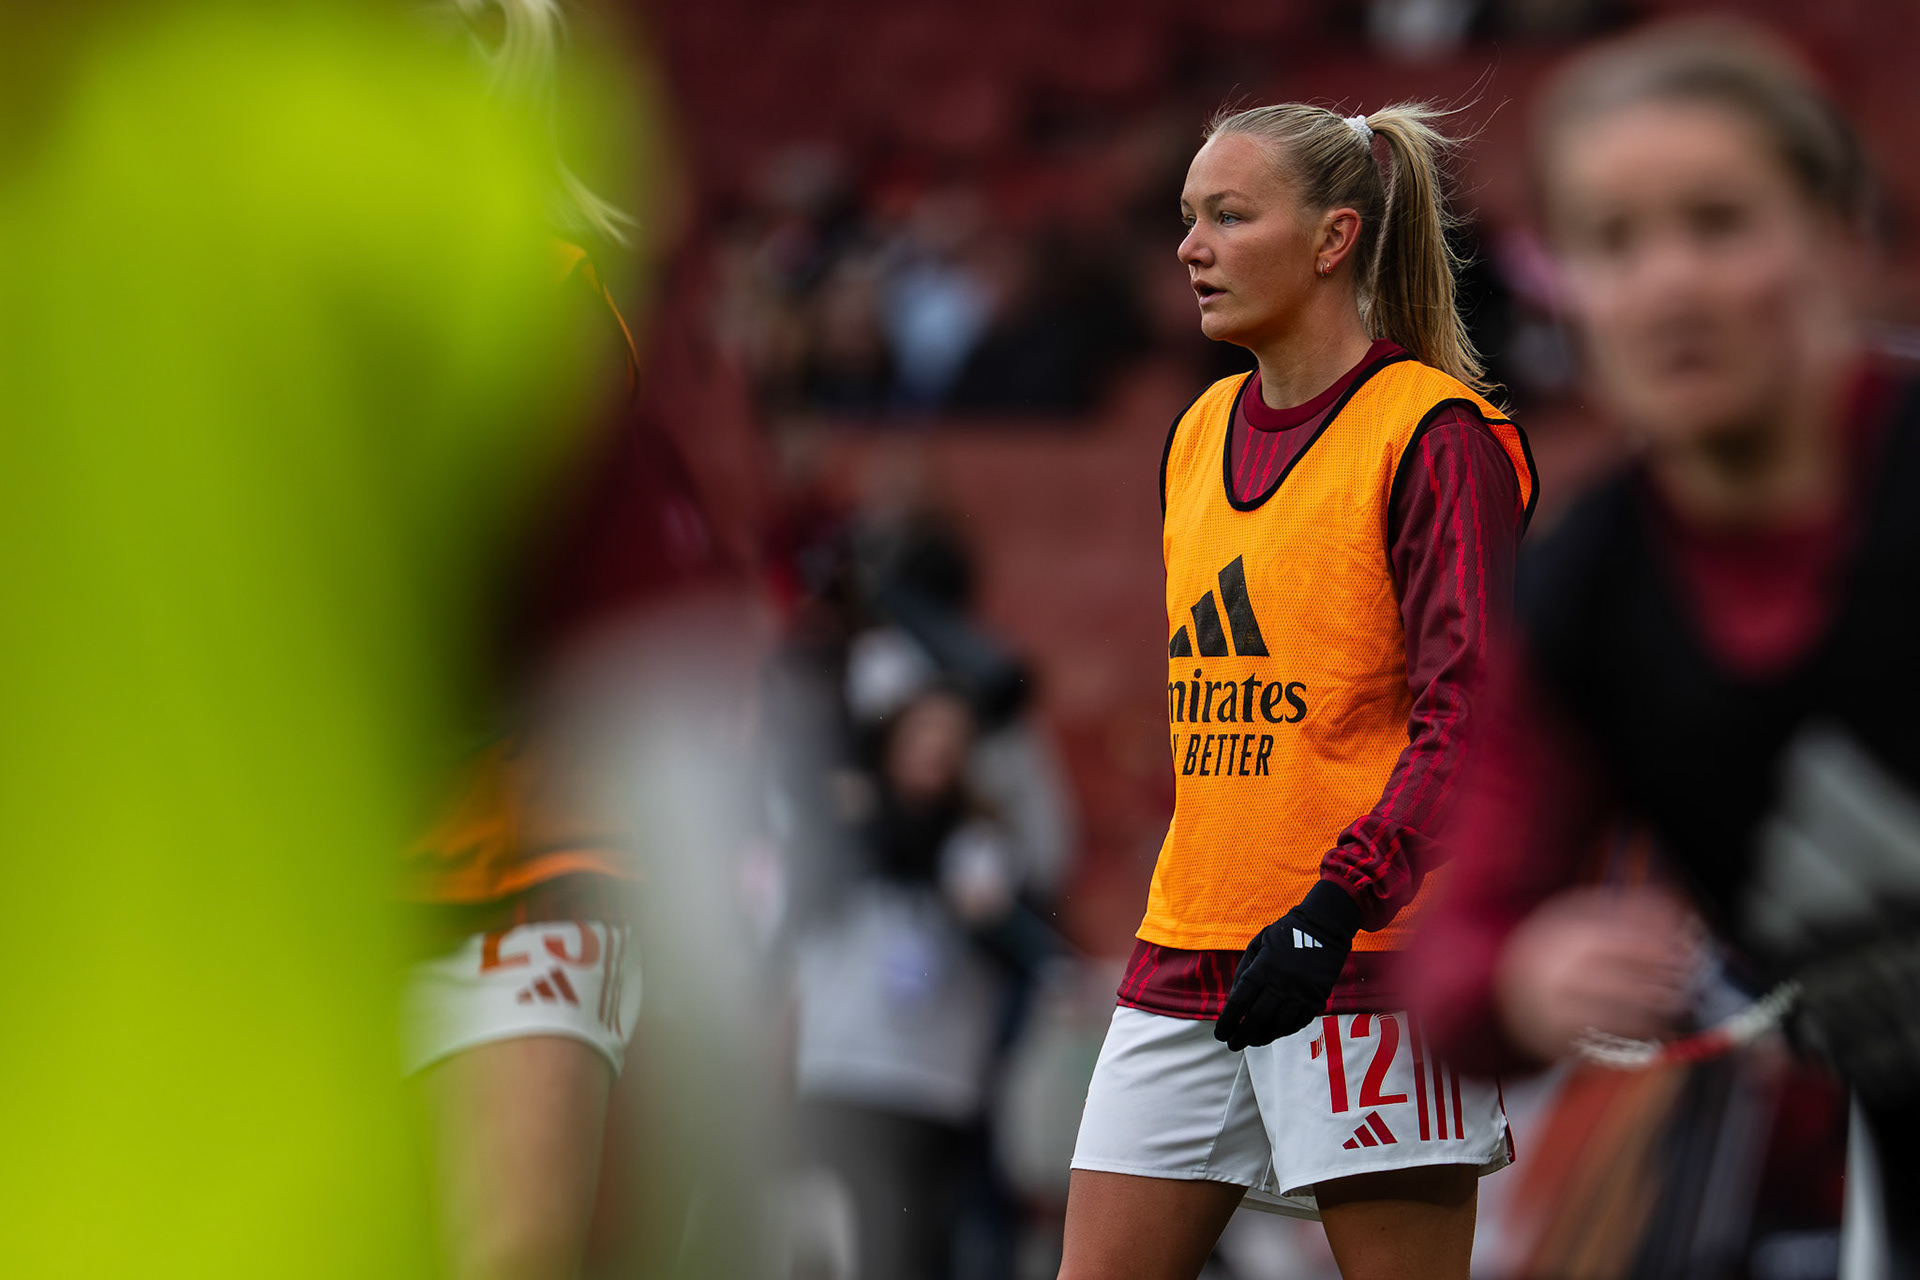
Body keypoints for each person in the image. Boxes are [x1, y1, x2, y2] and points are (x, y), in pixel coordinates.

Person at [1399, 21, 1920, 1276]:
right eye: (1615, 244)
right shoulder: (1584, 595)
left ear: (1841, 240)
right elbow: (1454, 954)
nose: (1669, 284)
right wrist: (1527, 975)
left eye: (1719, 222)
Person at [1060, 101, 1537, 1280]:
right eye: (1186, 219)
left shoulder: (1435, 433)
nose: (1190, 247)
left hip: (1365, 951)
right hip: (1188, 946)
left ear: (1332, 240)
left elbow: (1469, 715)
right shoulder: (1195, 431)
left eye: (1228, 215)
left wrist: (1338, 902)